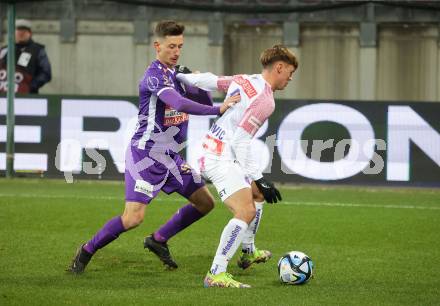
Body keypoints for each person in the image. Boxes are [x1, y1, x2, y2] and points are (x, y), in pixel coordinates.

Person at [68, 20, 239, 274]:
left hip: (170, 156)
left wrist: (196, 81)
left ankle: (158, 240)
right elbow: (179, 104)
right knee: (133, 218)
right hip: (146, 155)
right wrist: (219, 109)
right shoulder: (153, 77)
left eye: (180, 46)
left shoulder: (176, 74)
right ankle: (86, 251)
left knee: (205, 202)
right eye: (171, 46)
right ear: (157, 45)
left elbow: (200, 98)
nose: (176, 52)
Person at [178, 44, 297, 288]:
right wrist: (258, 175)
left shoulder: (246, 79)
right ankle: (216, 274)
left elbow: (211, 81)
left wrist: (180, 75)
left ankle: (248, 251)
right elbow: (241, 140)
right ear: (279, 67)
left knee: (257, 194)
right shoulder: (265, 100)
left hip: (213, 147)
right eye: (290, 72)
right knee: (246, 211)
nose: (290, 78)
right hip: (220, 155)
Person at [0, 19, 52, 94]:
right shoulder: (4, 50)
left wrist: (30, 86)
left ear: (30, 34)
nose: (21, 34)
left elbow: (46, 73)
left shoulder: (37, 50)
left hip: (26, 96)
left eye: (24, 32)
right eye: (18, 31)